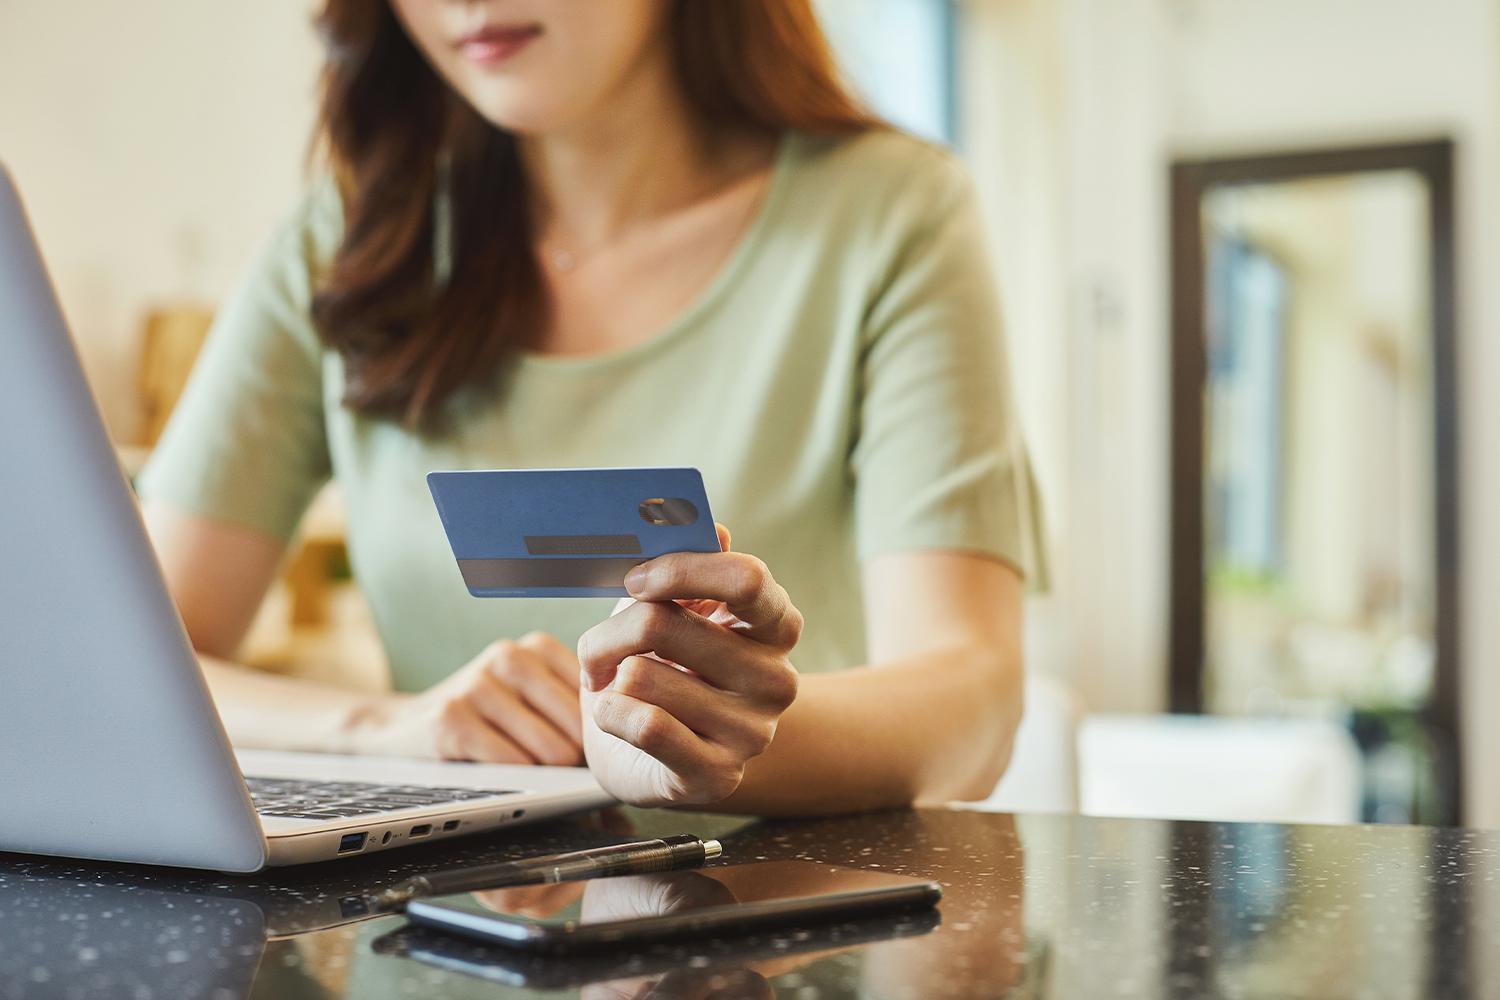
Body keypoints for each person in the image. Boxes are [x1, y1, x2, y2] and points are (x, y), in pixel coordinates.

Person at [139, 0, 1046, 814]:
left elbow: (972, 700)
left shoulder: (891, 214)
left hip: (779, 922)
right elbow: (127, 661)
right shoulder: (343, 241)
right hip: (445, 938)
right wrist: (391, 725)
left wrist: (702, 743)